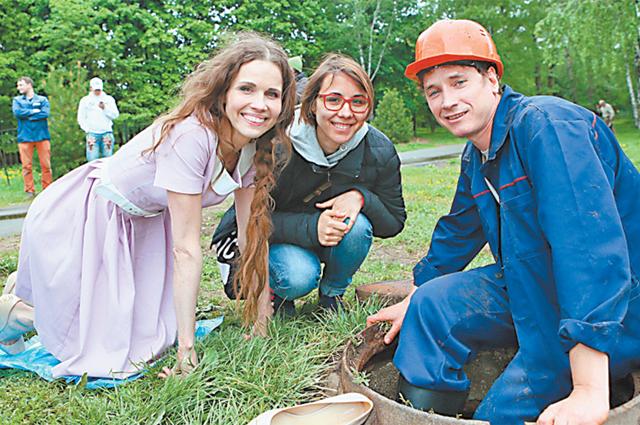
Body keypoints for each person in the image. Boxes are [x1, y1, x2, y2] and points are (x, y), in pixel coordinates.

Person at [367, 19, 640, 425]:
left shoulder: (547, 127)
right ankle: (426, 416)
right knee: (429, 306)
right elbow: (457, 231)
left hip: (615, 303)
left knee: (498, 416)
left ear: (491, 78)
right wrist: (416, 294)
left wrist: (588, 391)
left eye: (459, 82)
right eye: (433, 91)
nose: (447, 101)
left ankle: (564, 381)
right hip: (533, 283)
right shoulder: (478, 153)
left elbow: (589, 254)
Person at [0, 32, 296, 379]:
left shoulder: (252, 147)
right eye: (247, 89)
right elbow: (187, 250)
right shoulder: (193, 136)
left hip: (146, 220)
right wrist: (187, 351)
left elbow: (251, 238)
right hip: (91, 209)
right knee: (106, 350)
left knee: (148, 339)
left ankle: (43, 288)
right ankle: (14, 311)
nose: (260, 103)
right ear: (224, 91)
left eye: (271, 94)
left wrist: (261, 319)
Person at [268, 54, 406, 316]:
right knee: (298, 276)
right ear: (312, 104)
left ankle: (332, 294)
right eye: (333, 100)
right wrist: (313, 227)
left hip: (330, 238)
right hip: (278, 240)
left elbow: (393, 223)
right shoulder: (277, 141)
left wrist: (361, 197)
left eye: (358, 102)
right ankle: (279, 292)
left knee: (358, 226)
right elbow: (250, 220)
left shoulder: (380, 149)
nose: (345, 112)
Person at [11, 77, 53, 200]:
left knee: (46, 165)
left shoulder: (42, 99)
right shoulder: (17, 100)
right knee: (26, 166)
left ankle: (48, 189)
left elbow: (45, 113)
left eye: (21, 85)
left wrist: (28, 115)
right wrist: (35, 112)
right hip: (24, 137)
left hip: (42, 136)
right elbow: (18, 112)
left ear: (29, 85)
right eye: (18, 85)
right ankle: (30, 190)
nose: (19, 88)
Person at [77, 77, 120, 161]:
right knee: (92, 161)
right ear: (91, 88)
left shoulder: (109, 99)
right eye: (95, 89)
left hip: (106, 133)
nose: (97, 91)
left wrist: (105, 108)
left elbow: (115, 115)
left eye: (99, 89)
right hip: (92, 134)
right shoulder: (85, 100)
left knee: (107, 160)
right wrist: (87, 129)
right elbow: (81, 117)